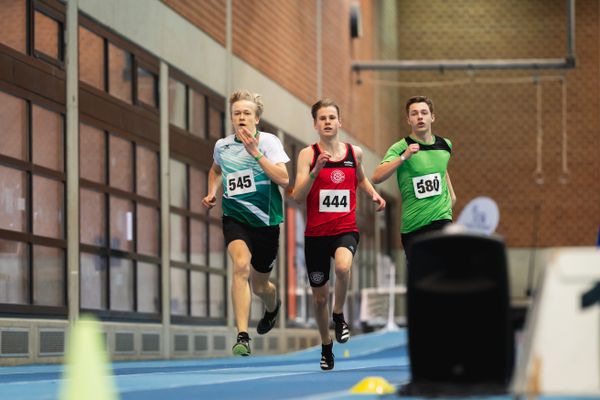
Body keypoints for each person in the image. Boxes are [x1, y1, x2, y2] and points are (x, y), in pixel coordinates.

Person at [292, 99, 386, 370]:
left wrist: (374, 194)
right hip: (316, 236)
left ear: (340, 122)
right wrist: (316, 172)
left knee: (343, 268)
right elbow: (298, 196)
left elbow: (361, 178)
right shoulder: (307, 155)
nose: (328, 122)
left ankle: (339, 314)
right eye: (322, 118)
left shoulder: (353, 153)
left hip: (345, 229)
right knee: (319, 298)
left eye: (332, 117)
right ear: (315, 124)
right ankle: (325, 345)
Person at [202, 89, 290, 356]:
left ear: (256, 118)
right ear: (231, 118)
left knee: (261, 285)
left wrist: (256, 154)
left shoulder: (269, 143)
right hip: (235, 217)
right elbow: (216, 169)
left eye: (247, 113)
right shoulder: (222, 146)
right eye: (237, 113)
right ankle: (242, 335)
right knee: (240, 265)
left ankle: (272, 307)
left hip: (265, 223)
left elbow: (284, 179)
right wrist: (212, 192)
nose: (241, 117)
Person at [372, 95, 456, 259]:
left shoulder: (445, 145)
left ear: (432, 117)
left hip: (441, 218)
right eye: (414, 114)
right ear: (408, 120)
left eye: (424, 113)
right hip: (413, 225)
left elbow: (441, 169)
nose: (420, 117)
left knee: (444, 267)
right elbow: (376, 177)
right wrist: (404, 157)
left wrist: (451, 194)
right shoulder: (400, 147)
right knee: (421, 278)